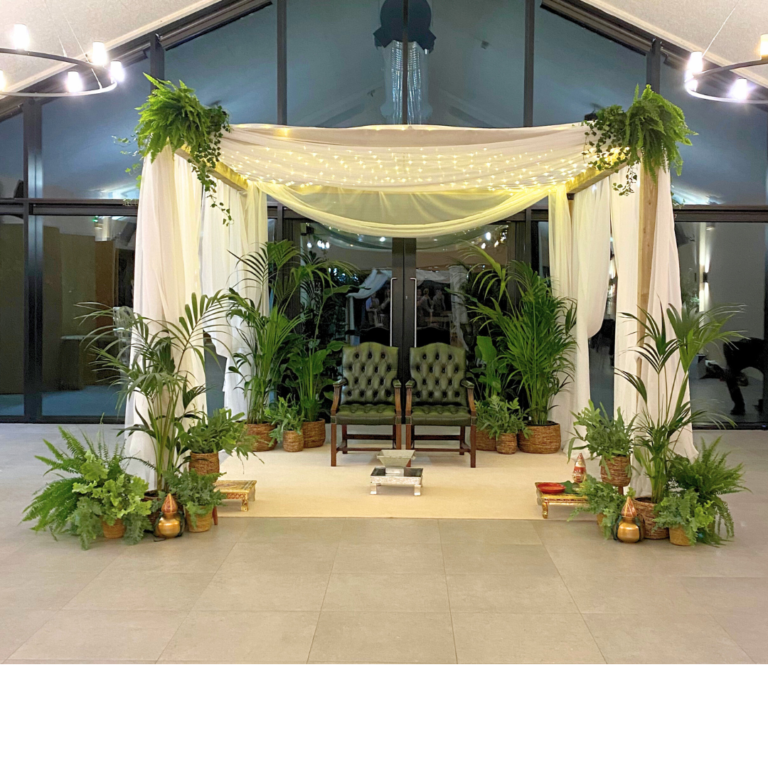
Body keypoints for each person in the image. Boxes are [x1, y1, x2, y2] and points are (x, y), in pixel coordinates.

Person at [723, 338, 766, 415]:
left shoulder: (758, 350)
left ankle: (765, 402)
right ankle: (739, 406)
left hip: (758, 353)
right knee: (729, 376)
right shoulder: (731, 351)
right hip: (743, 354)